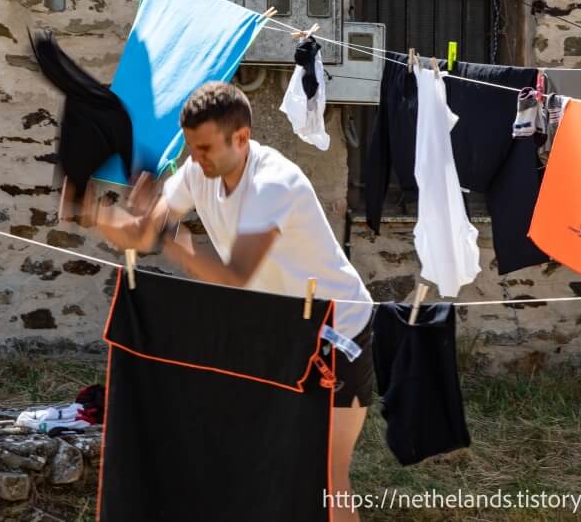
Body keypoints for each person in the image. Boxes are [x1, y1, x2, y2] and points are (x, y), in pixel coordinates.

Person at [89, 82, 374, 522]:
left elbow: (234, 274)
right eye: (190, 147)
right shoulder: (198, 172)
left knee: (326, 477)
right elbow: (149, 231)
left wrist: (168, 240)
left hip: (336, 331)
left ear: (241, 138)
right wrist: (112, 220)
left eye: (204, 148)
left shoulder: (273, 184)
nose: (195, 158)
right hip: (278, 327)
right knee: (264, 463)